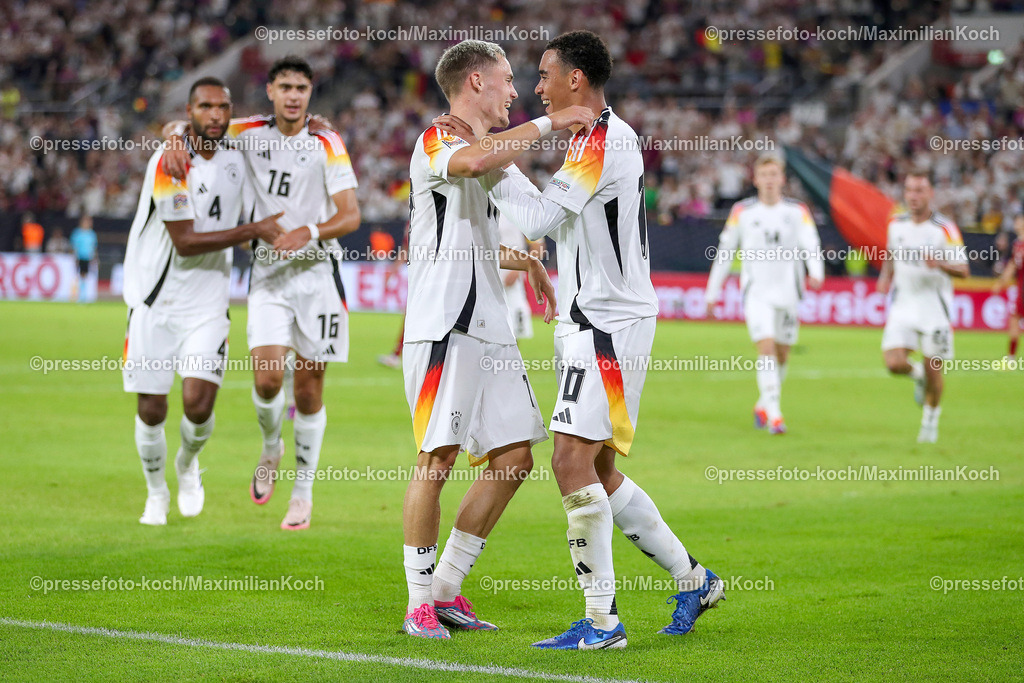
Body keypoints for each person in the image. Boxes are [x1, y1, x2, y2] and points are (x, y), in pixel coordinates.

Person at [453, 30, 724, 650]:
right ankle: (693, 579)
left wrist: (493, 159)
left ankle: (602, 622)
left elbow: (541, 219)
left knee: (569, 461)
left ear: (576, 79)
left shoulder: (602, 138)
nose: (537, 86)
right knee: (597, 469)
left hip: (609, 323)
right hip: (588, 318)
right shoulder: (590, 138)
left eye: (545, 74)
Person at [400, 39, 582, 640]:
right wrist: (551, 121)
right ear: (475, 82)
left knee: (513, 457)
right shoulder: (438, 140)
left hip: (490, 328)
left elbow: (535, 217)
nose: (515, 91)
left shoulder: (494, 156)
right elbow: (472, 166)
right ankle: (417, 600)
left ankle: (448, 589)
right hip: (444, 326)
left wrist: (529, 257)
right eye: (507, 80)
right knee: (438, 458)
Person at [164, 57, 361, 530]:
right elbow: (194, 122)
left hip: (318, 276)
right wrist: (173, 136)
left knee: (310, 389)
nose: (294, 96)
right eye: (285, 87)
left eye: (302, 88)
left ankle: (303, 495)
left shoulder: (327, 141)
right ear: (270, 91)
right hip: (269, 276)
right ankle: (272, 446)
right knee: (268, 379)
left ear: (311, 92)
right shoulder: (247, 130)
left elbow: (351, 215)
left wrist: (309, 231)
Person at [122, 77, 284, 526]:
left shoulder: (238, 157)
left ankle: (187, 465)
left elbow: (280, 130)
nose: (215, 114)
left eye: (223, 107)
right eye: (205, 106)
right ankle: (156, 492)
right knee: (151, 410)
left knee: (198, 404)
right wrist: (254, 230)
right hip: (154, 302)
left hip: (208, 305)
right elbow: (187, 242)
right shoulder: (168, 161)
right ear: (190, 110)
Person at [704, 155, 824, 434]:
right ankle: (775, 414)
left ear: (782, 179)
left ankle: (763, 403)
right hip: (756, 293)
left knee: (782, 354)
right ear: (755, 179)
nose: (769, 180)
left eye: (774, 174)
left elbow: (811, 242)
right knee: (766, 348)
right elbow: (725, 253)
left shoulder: (798, 211)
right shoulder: (742, 211)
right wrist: (713, 293)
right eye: (764, 175)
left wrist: (816, 271)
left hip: (789, 293)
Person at [877, 170, 969, 443]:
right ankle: (917, 376)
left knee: (934, 369)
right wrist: (885, 277)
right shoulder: (896, 224)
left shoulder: (944, 228)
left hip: (934, 310)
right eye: (909, 190)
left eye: (920, 191)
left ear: (930, 194)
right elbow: (890, 254)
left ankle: (930, 423)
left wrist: (939, 263)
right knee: (893, 362)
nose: (914, 196)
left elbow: (964, 270)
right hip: (904, 304)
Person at [498, 214, 546, 340]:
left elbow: (538, 247)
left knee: (515, 327)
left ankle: (514, 359)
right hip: (486, 277)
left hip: (513, 280)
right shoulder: (479, 205)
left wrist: (519, 269)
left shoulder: (519, 210)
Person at [991, 214, 1024, 363]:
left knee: (1015, 318)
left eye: (1019, 220)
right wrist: (1001, 282)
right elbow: (1012, 265)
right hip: (1021, 288)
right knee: (1014, 318)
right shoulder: (1017, 244)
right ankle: (1011, 356)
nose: (1016, 223)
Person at [70, 215, 99, 302]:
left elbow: (94, 247)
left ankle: (84, 295)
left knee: (85, 276)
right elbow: (73, 246)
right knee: (78, 276)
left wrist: (95, 257)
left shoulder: (92, 234)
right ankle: (79, 295)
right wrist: (74, 257)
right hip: (80, 257)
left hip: (88, 258)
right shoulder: (77, 233)